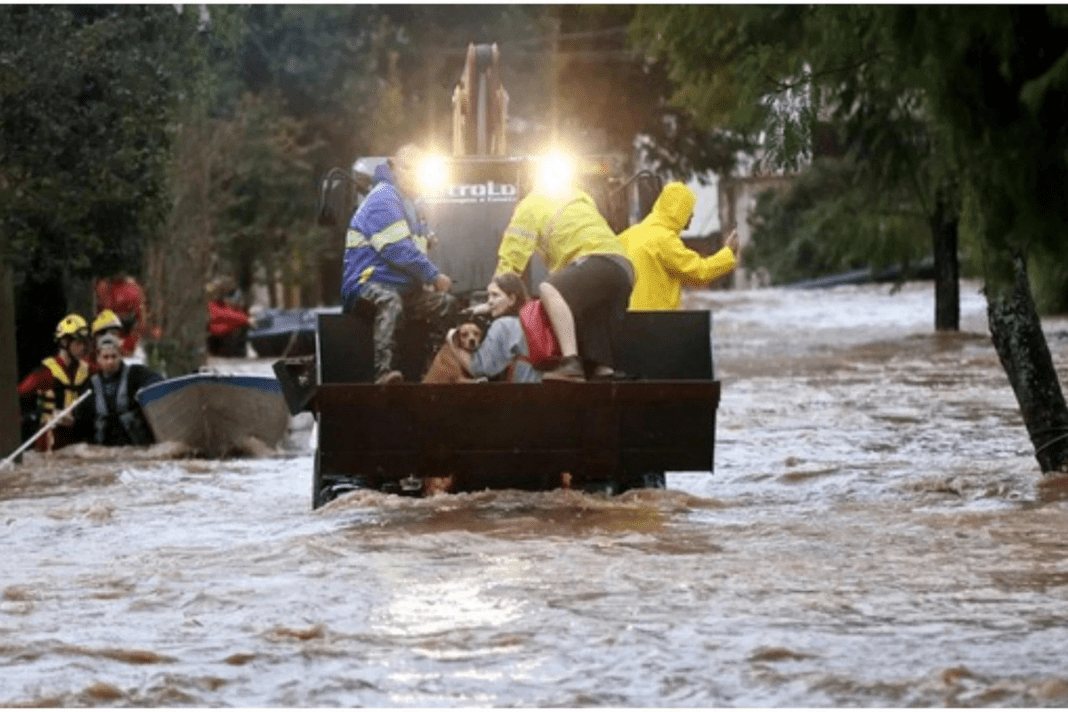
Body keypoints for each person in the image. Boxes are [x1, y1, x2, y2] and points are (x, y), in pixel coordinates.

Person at [495, 171, 634, 382]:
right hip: (623, 270)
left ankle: (570, 363)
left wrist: (497, 290)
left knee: (550, 289)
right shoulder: (578, 198)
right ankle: (603, 370)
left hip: (596, 260)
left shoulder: (532, 204)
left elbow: (513, 252)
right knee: (588, 314)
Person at [341, 143, 455, 384]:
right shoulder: (384, 198)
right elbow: (397, 250)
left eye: (418, 171)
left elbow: (418, 245)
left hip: (402, 287)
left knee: (444, 304)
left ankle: (433, 371)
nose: (413, 175)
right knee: (389, 302)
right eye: (408, 168)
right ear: (393, 166)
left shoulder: (411, 204)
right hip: (367, 282)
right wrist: (433, 276)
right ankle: (383, 372)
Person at [619, 181, 740, 311]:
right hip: (655, 322)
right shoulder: (663, 239)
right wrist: (728, 253)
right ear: (678, 210)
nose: (692, 214)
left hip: (626, 321)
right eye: (688, 208)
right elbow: (699, 272)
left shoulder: (626, 236)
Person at [17, 314, 94, 452]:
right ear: (64, 342)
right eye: (78, 342)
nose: (83, 347)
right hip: (50, 445)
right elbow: (15, 396)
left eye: (85, 342)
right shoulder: (45, 373)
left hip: (79, 443)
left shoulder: (89, 370)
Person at [448, 273, 542, 384]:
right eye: (488, 296)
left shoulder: (503, 325)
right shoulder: (529, 320)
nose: (489, 301)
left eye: (495, 295)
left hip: (523, 392)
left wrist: (451, 339)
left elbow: (480, 368)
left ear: (512, 299)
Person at [74, 334, 163, 446]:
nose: (110, 361)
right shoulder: (90, 386)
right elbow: (82, 421)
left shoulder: (135, 375)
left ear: (120, 355)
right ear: (98, 358)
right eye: (106, 357)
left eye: (114, 356)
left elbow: (157, 382)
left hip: (135, 446)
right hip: (104, 450)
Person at [94, 273, 146, 356]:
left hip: (128, 339)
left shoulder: (133, 288)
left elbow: (140, 318)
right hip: (108, 337)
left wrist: (130, 343)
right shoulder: (104, 286)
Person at [207, 276, 252, 357]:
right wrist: (246, 320)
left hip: (225, 339)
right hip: (219, 341)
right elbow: (225, 315)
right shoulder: (211, 305)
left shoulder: (222, 304)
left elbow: (231, 315)